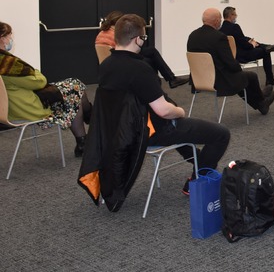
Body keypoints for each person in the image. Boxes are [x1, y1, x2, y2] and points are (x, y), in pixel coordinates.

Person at [99, 14, 230, 194]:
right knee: (220, 133)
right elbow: (163, 111)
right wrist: (180, 111)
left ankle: (201, 162)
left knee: (184, 129)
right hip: (148, 132)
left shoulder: (106, 65)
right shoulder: (140, 69)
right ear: (137, 39)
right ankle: (197, 180)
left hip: (120, 131)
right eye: (143, 37)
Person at [1, 21, 91, 157]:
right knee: (75, 90)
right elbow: (39, 81)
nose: (10, 39)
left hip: (12, 107)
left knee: (74, 85)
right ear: (2, 39)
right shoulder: (7, 65)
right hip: (29, 108)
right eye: (9, 36)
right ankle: (88, 124)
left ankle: (84, 139)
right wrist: (36, 72)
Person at [187, 8, 274, 116]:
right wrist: (238, 68)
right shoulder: (219, 37)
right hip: (218, 81)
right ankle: (261, 100)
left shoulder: (192, 36)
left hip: (199, 80)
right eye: (220, 19)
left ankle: (261, 100)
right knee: (249, 76)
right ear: (216, 21)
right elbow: (230, 63)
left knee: (241, 78)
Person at [95, 10, 189, 89]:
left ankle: (161, 84)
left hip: (113, 62)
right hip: (122, 60)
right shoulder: (115, 34)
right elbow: (126, 49)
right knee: (151, 57)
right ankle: (167, 81)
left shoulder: (101, 34)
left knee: (151, 54)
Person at [219, 6, 274, 86]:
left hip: (232, 57)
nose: (236, 16)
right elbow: (243, 44)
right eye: (235, 14)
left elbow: (240, 39)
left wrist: (250, 40)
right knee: (266, 52)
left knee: (255, 44)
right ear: (231, 15)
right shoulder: (235, 27)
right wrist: (252, 45)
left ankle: (266, 46)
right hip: (242, 56)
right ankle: (270, 79)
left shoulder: (220, 30)